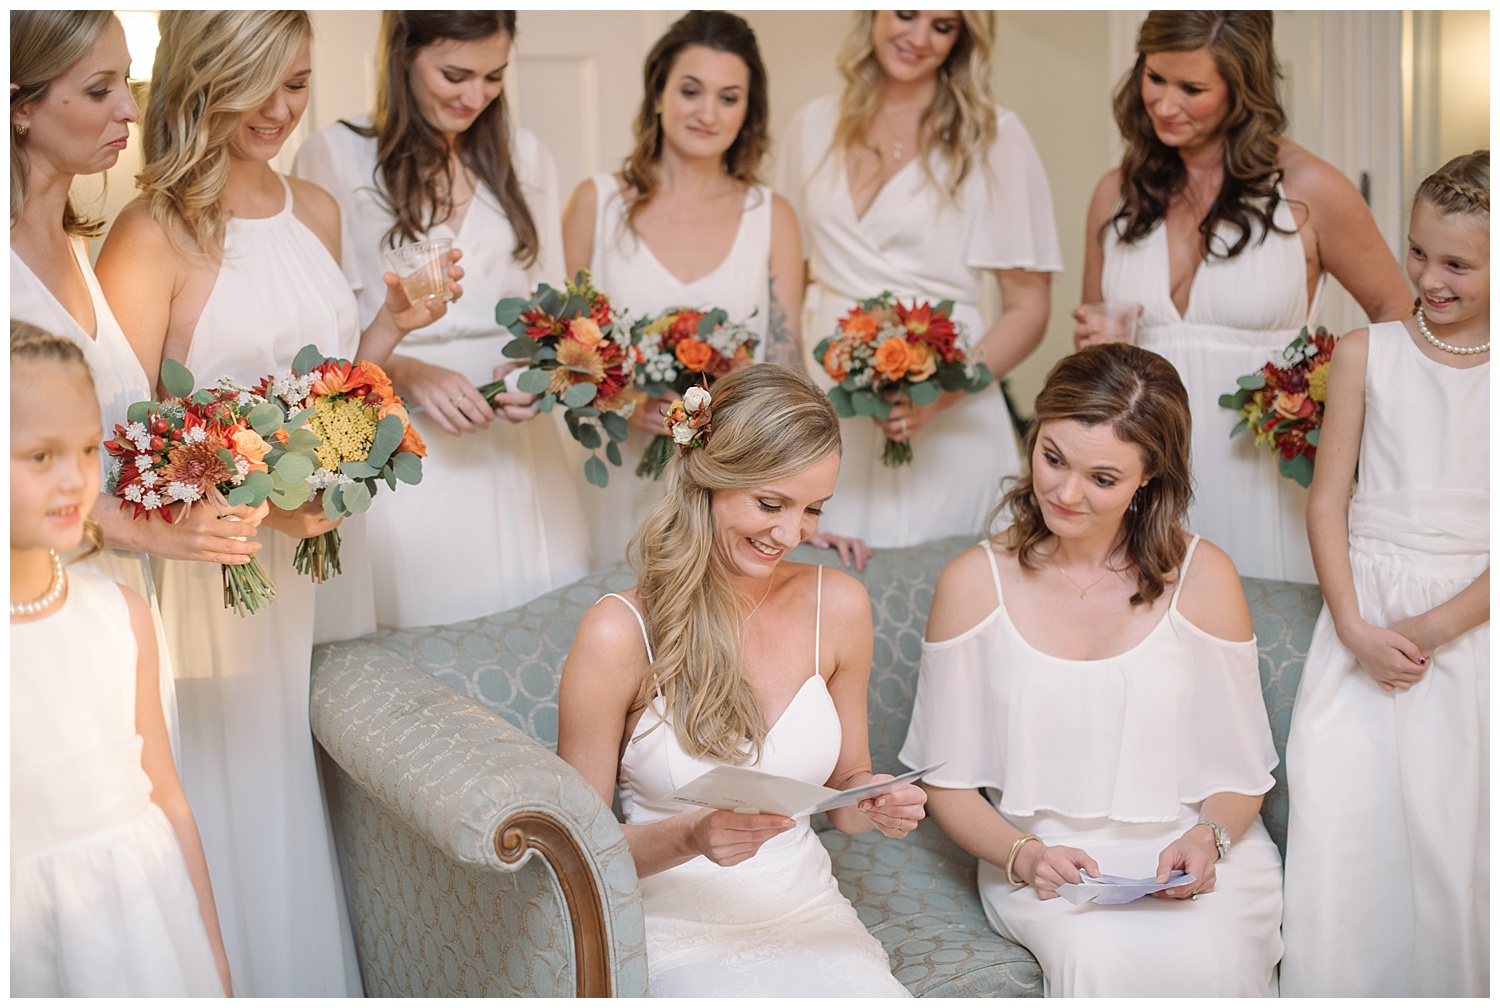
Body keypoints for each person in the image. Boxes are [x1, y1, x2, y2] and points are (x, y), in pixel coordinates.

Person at [94, 11, 443, 995]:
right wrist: (266, 498)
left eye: (297, 83)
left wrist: (387, 331)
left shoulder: (314, 208)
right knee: (251, 786)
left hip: (333, 554)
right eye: (259, 84)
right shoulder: (151, 233)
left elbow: (336, 388)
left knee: (333, 774)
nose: (281, 110)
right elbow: (129, 452)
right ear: (204, 77)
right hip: (230, 576)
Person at [901, 344, 1284, 996]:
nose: (1066, 493)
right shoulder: (973, 583)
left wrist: (1208, 839)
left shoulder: (1204, 578)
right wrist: (1024, 855)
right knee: (1099, 955)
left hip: (1195, 849)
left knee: (1211, 953)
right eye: (1052, 459)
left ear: (1149, 479)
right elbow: (948, 784)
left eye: (1103, 479)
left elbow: (1241, 773)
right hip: (1043, 861)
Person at [557, 363, 924, 996]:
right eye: (770, 504)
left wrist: (877, 800)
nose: (792, 534)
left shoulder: (838, 606)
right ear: (708, 479)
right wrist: (690, 835)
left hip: (811, 917)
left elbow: (848, 791)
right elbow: (573, 852)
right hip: (671, 933)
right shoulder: (618, 633)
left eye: (813, 509)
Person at [1076, 10, 1412, 583]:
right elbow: (1088, 353)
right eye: (1155, 78)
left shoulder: (1309, 189)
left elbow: (1399, 315)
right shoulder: (1117, 193)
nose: (1163, 103)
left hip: (1264, 477)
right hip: (1145, 474)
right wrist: (1099, 345)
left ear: (1243, 89)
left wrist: (1337, 413)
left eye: (1193, 89)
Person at [9, 8, 256, 760]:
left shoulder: (77, 247)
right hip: (29, 611)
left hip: (117, 603)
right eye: (97, 89)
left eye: (127, 79)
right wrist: (125, 523)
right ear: (19, 106)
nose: (129, 108)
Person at [294, 10, 591, 627]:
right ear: (405, 55)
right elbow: (324, 333)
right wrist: (408, 370)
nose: (475, 97)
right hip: (408, 443)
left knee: (546, 626)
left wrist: (539, 373)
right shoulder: (335, 155)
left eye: (493, 77)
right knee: (433, 627)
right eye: (455, 74)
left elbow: (554, 310)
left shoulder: (525, 156)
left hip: (518, 447)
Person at [1281, 152, 1489, 997]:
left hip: (1474, 629)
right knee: (1349, 833)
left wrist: (1434, 628)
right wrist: (1360, 629)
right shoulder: (1366, 351)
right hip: (1362, 623)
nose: (1427, 278)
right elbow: (1327, 503)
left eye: (1457, 264)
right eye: (1416, 253)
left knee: (1459, 841)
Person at [778, 10, 1061, 549]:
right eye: (905, 13)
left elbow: (1029, 307)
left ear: (963, 38)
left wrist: (941, 398)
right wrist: (793, 399)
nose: (917, 38)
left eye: (943, 25)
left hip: (951, 402)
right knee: (823, 582)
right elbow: (789, 281)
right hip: (829, 397)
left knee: (950, 580)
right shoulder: (810, 126)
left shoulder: (994, 136)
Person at [563, 10, 834, 570]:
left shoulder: (771, 216)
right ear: (658, 92)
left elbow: (787, 369)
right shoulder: (596, 202)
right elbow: (557, 354)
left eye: (729, 97)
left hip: (727, 486)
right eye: (691, 90)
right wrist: (626, 399)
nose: (707, 113)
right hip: (614, 471)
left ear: (748, 112)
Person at [10, 322, 231, 997]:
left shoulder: (120, 616)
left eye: (83, 449)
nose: (77, 478)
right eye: (40, 456)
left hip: (151, 936)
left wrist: (214, 962)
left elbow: (168, 799)